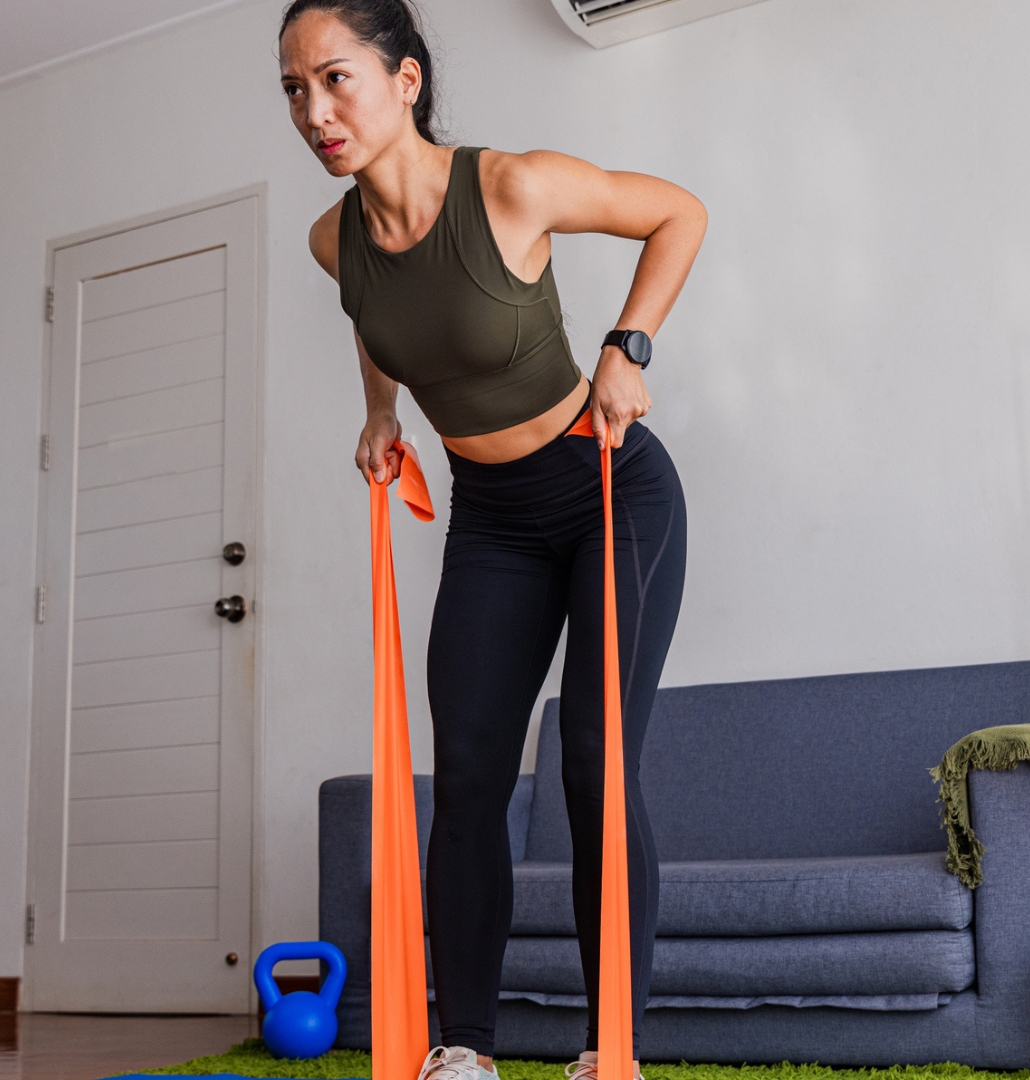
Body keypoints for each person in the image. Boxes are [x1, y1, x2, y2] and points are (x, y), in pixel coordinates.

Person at [280, 3, 706, 1079]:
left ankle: (616, 1051)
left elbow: (679, 213)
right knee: (467, 774)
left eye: (336, 79)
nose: (315, 110)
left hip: (608, 488)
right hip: (492, 520)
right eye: (295, 90)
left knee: (593, 761)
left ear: (406, 79)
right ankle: (462, 1048)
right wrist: (380, 414)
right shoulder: (334, 240)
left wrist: (628, 345)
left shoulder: (510, 186)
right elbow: (379, 327)